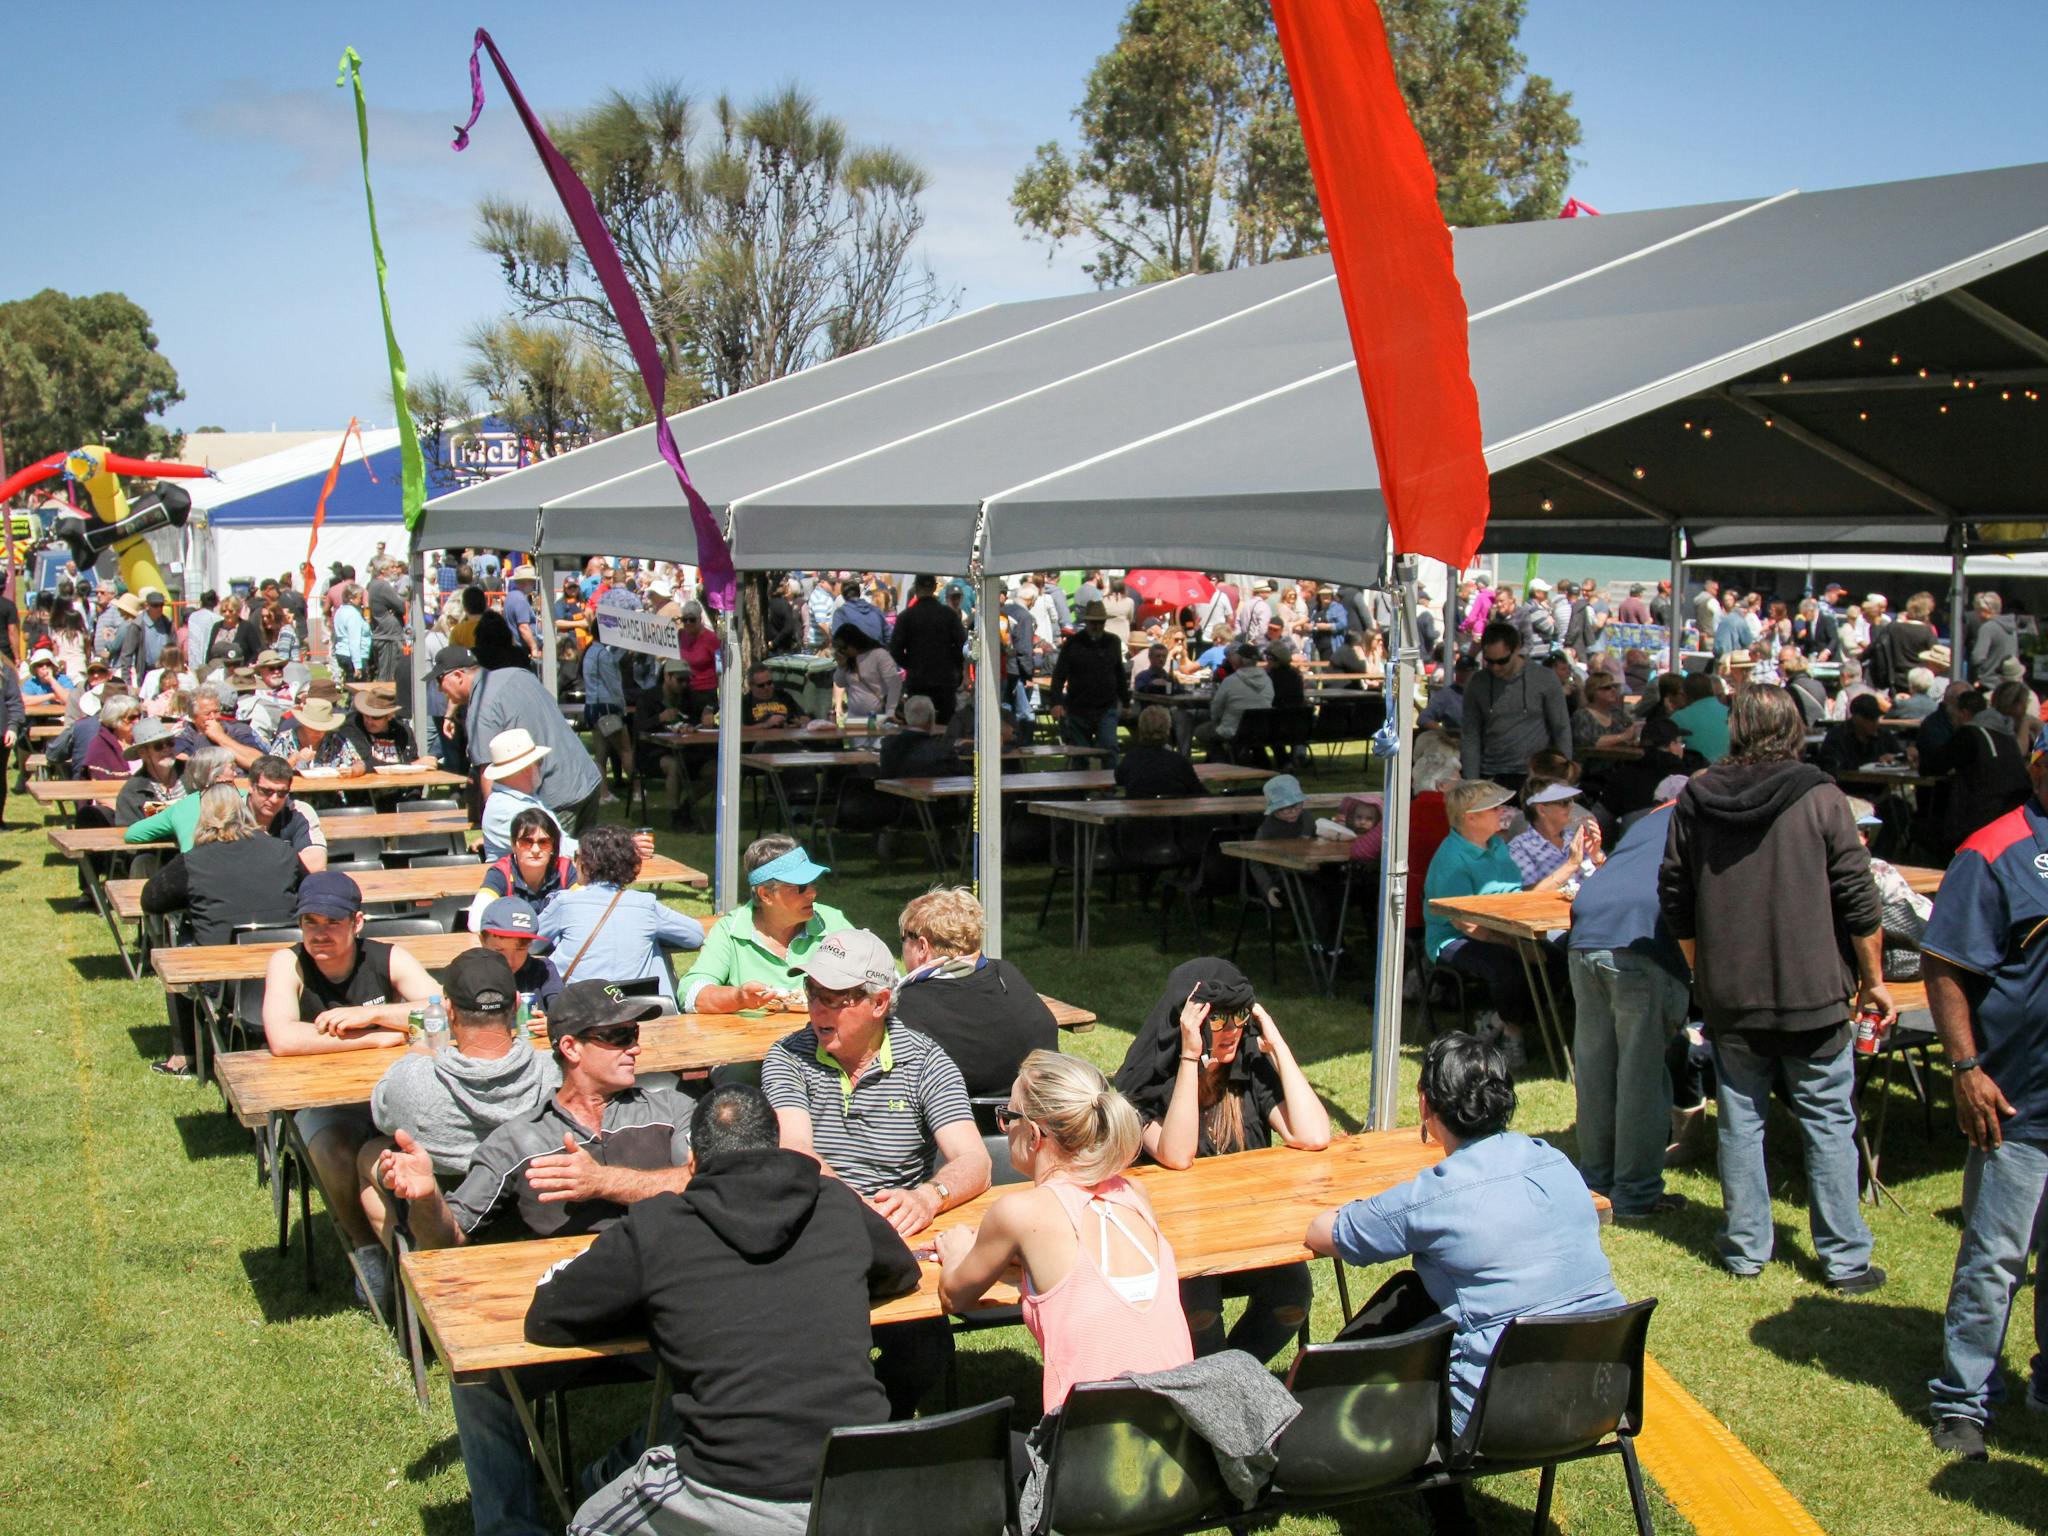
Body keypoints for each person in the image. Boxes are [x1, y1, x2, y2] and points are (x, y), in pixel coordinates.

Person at [378, 980, 700, 1535]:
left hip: (665, 1310)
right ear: (570, 1047)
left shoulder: (673, 1110)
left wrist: (605, 1182)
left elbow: (710, 1180)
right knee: (479, 1380)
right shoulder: (519, 1141)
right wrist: (427, 1198)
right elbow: (447, 1242)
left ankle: (619, 1476)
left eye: (635, 1033)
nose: (635, 1047)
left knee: (733, 1356)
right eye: (618, 1035)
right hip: (569, 1317)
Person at [528, 1084, 921, 1536]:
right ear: (776, 1146)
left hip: (731, 1490)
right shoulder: (834, 1202)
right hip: (863, 1484)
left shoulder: (658, 1225)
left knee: (586, 1524)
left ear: (692, 1162)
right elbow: (900, 1272)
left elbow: (548, 1316)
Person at [1659, 684, 1890, 1291]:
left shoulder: (1700, 796)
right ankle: (1844, 1258)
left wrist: (1701, 968)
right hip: (1811, 989)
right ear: (1793, 727)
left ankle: (1746, 1248)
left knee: (1742, 1120)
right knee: (1826, 1120)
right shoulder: (1820, 795)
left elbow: (1676, 895)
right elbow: (1859, 897)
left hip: (1734, 990)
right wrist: (1874, 980)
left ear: (1737, 727)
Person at [1306, 1033, 1625, 1441]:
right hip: (1600, 1396)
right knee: (1416, 1293)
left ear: (1425, 1104)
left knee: (1409, 1298)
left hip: (1495, 1418)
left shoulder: (1436, 1195)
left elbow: (1327, 1233)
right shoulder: (1555, 1160)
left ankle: (1314, 1411)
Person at [762, 927, 991, 1415]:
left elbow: (976, 1161)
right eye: (811, 992)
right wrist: (856, 1210)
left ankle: (874, 1428)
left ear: (880, 1002)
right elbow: (797, 1152)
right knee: (806, 1353)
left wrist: (928, 1197)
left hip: (899, 1244)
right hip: (818, 1231)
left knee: (926, 1351)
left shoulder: (926, 1061)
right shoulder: (787, 1057)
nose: (816, 1009)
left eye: (833, 998)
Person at [938, 1048, 1193, 1419]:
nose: (1005, 1128)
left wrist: (957, 1250)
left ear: (1033, 1134)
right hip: (1181, 1429)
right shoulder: (1134, 1194)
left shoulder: (1019, 1212)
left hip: (1087, 1440)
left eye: (1008, 1117)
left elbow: (954, 1296)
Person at [1919, 750, 2048, 1461]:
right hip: (2017, 1100)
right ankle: (1963, 1399)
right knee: (1996, 1258)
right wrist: (1966, 1068)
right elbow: (1944, 961)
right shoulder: (1994, 851)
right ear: (2039, 768)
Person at [1112, 958, 1330, 1364]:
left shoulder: (1248, 1070)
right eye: (1217, 1019)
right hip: (1179, 1240)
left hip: (1246, 1229)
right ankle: (1219, 1383)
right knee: (1200, 1310)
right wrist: (1190, 1059)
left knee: (1292, 1296)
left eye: (1240, 1017)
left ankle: (1233, 1374)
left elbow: (1313, 1135)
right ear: (1188, 1023)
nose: (1231, 1030)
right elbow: (1177, 1155)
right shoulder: (1146, 1084)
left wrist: (1278, 1048)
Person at [258, 871, 439, 1295]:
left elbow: (441, 1009)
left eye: (332, 923)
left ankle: (429, 1247)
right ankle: (366, 1250)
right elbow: (282, 1038)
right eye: (310, 922)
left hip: (391, 1095)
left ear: (357, 923)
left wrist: (371, 1014)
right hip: (320, 1101)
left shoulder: (387, 957)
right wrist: (373, 1037)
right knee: (333, 1149)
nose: (319, 933)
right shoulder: (288, 962)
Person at [361, 946, 561, 1248]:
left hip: (446, 1219)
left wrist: (420, 1052)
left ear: (448, 1010)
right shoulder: (559, 1074)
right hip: (539, 1218)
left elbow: (381, 1115)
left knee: (368, 1153)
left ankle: (401, 1262)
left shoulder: (412, 1080)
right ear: (517, 1004)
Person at [1566, 801, 1691, 1220]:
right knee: (1641, 1075)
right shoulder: (1710, 819)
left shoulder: (1654, 817)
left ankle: (1595, 1183)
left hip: (1588, 929)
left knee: (1596, 1069)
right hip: (1639, 941)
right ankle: (1636, 1194)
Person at [140, 783, 305, 1078]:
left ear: (204, 817)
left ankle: (184, 1057)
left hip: (224, 981)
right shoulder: (283, 851)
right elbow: (309, 891)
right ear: (244, 812)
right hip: (289, 969)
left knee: (178, 948)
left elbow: (151, 900)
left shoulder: (194, 861)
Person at [1423, 779, 1561, 1068]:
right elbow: (1465, 924)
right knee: (1509, 966)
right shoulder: (1452, 859)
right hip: (1454, 938)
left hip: (1502, 929)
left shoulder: (1497, 845)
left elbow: (1514, 896)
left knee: (1557, 960)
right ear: (1471, 818)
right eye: (1494, 809)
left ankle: (1496, 1020)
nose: (1503, 812)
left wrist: (1570, 866)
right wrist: (1517, 945)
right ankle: (1512, 1031)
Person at [891, 885, 1058, 1098]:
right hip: (1034, 1109)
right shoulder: (1006, 974)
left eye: (903, 938)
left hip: (954, 1117)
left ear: (922, 947)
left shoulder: (904, 1005)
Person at [438, 644, 605, 833]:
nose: (438, 689)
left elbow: (488, 775)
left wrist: (496, 828)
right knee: (583, 851)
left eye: (439, 680)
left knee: (545, 850)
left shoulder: (482, 708)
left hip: (556, 796)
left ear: (458, 676)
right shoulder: (517, 674)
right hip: (586, 778)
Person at [537, 826, 703, 1006]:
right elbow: (695, 935)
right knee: (653, 947)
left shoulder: (565, 903)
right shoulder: (645, 905)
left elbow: (531, 943)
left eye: (577, 857)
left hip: (578, 1008)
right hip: (635, 1008)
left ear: (586, 863)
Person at [681, 838, 850, 1013]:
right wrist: (739, 998)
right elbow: (691, 994)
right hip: (752, 1030)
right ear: (765, 895)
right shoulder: (730, 931)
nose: (812, 893)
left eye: (813, 883)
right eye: (800, 887)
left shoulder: (831, 921)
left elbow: (868, 974)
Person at [1461, 622, 1571, 796]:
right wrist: (1472, 783)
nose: (1495, 667)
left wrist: (1563, 777)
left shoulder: (1545, 679)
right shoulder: (1477, 683)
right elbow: (1470, 735)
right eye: (1489, 661)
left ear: (1517, 649)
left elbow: (1561, 728)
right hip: (1491, 774)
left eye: (1502, 661)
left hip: (1536, 776)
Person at [1047, 599, 1130, 768]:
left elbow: (1119, 673)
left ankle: (1111, 783)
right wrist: (1056, 702)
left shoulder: (1113, 642)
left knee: (1109, 748)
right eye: (1093, 622)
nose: (1097, 626)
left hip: (1106, 707)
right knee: (1079, 754)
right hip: (1078, 706)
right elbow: (1059, 675)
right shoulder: (1072, 643)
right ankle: (1080, 783)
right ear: (1086, 622)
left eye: (1100, 622)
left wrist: (1126, 702)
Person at [475, 726, 575, 862]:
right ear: (526, 769)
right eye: (539, 762)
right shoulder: (505, 809)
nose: (541, 767)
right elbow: (555, 848)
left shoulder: (522, 797)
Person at [889, 573, 967, 725]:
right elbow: (962, 647)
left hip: (918, 679)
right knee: (945, 727)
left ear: (916, 588)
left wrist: (910, 664)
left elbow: (895, 649)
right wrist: (954, 666)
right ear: (934, 588)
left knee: (918, 724)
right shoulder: (949, 615)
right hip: (945, 679)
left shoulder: (906, 616)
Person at [474, 896, 567, 1010]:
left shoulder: (543, 970)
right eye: (499, 950)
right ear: (482, 941)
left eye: (520, 949)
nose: (510, 961)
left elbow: (562, 1010)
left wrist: (550, 1019)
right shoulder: (470, 975)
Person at [1506, 779, 1604, 889]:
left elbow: (1610, 882)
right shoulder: (1519, 847)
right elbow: (1528, 894)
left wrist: (1597, 859)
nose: (1571, 806)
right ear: (1541, 810)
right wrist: (1571, 865)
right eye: (1564, 802)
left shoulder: (1576, 838)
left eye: (1571, 801)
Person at [244, 753, 329, 872]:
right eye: (267, 791)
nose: (274, 799)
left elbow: (316, 866)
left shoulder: (299, 812)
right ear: (250, 786)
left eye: (282, 793)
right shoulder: (231, 811)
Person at [1192, 642, 1274, 758]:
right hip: (1260, 730)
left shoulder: (1230, 681)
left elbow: (1216, 710)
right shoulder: (1267, 680)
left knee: (1200, 731)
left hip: (1232, 730)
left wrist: (1219, 719)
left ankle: (1222, 760)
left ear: (1238, 660)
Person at [1116, 704, 1203, 798]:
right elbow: (1199, 791)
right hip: (1173, 806)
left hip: (1138, 805)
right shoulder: (1178, 762)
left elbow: (1119, 779)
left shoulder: (1130, 758)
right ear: (1167, 729)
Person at [112, 717, 187, 826]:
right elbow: (129, 830)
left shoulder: (192, 772)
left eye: (170, 743)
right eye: (158, 746)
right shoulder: (132, 792)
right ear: (143, 753)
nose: (166, 749)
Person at [1816, 692, 1908, 779]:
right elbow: (1832, 766)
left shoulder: (1883, 735)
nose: (1875, 723)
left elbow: (1900, 756)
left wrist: (1897, 757)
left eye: (1876, 719)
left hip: (1878, 787)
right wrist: (1875, 762)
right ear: (1856, 718)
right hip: (1847, 787)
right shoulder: (1837, 736)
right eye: (1870, 719)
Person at [876, 693, 962, 779]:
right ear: (931, 718)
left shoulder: (888, 745)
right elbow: (963, 774)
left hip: (891, 787)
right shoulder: (942, 750)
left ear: (906, 717)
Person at [339, 687, 425, 770]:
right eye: (366, 715)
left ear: (389, 716)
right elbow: (366, 762)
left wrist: (414, 765)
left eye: (376, 717)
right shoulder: (353, 726)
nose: (369, 721)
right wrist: (411, 765)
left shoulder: (403, 732)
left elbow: (412, 759)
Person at [831, 622, 900, 721]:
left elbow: (894, 684)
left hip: (878, 718)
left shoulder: (879, 655)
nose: (843, 651)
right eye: (839, 649)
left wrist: (891, 711)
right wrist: (841, 665)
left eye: (844, 647)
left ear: (854, 642)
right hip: (854, 718)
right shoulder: (849, 660)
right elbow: (840, 683)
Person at [1570, 671, 1638, 756]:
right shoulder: (1582, 715)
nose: (1613, 690)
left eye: (1615, 686)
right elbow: (1588, 742)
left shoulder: (1617, 713)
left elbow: (1631, 732)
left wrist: (1632, 736)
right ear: (1593, 691)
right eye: (1607, 687)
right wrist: (1622, 737)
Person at [1669, 671, 1731, 763]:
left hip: (1696, 769)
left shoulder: (1678, 718)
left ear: (1685, 695)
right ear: (1711, 689)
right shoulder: (1732, 714)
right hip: (1731, 767)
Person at [366, 557, 409, 683]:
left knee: (384, 672)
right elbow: (401, 607)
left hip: (382, 633)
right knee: (388, 676)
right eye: (392, 567)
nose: (394, 570)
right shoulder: (383, 585)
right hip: (389, 636)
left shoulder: (372, 584)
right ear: (383, 570)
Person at [1420, 655, 1473, 730]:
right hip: (1456, 735)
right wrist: (1443, 732)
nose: (1461, 674)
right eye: (1458, 670)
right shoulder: (1447, 695)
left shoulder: (1483, 693)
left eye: (1466, 672)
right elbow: (1424, 718)